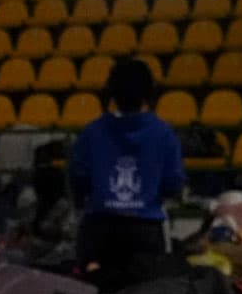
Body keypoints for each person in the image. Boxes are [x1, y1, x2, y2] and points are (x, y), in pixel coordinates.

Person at [69, 56, 185, 280]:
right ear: (148, 92)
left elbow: (79, 177)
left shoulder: (92, 132)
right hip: (146, 231)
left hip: (100, 231)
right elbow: (173, 182)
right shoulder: (164, 133)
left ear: (111, 90)